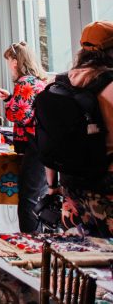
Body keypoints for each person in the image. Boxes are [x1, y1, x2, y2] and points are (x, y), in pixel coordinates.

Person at [55, 21, 113, 238]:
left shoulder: (63, 83)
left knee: (80, 253)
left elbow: (50, 136)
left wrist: (51, 186)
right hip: (106, 183)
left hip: (71, 185)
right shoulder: (110, 86)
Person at [0, 41, 48, 233]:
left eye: (9, 60)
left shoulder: (25, 82)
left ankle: (30, 240)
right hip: (41, 143)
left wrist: (10, 106)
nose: (9, 65)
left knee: (29, 198)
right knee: (37, 194)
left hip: (34, 146)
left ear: (16, 62)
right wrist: (11, 98)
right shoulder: (37, 81)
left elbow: (20, 116)